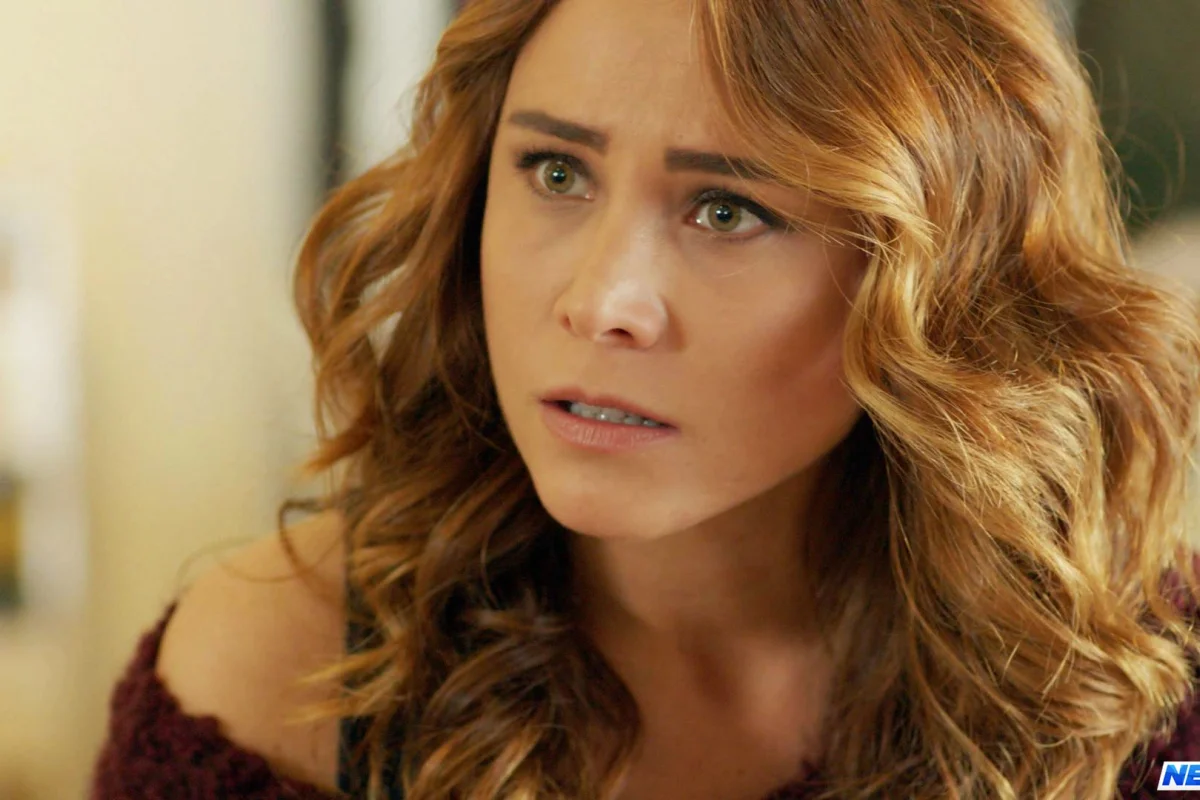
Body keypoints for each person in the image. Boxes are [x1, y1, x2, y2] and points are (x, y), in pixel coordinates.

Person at [89, 0, 1200, 797]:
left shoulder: (1132, 685)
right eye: (556, 172)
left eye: (725, 210)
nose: (598, 302)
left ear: (941, 278)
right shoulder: (281, 679)